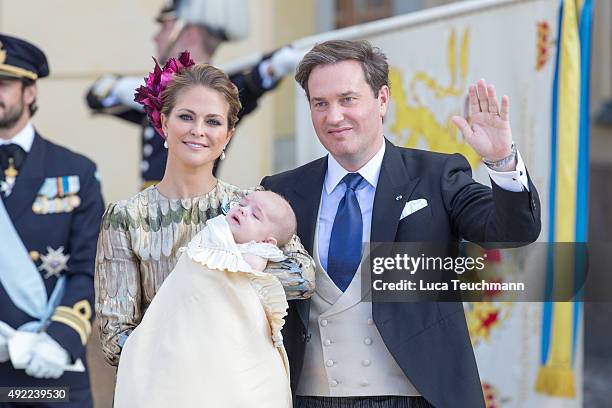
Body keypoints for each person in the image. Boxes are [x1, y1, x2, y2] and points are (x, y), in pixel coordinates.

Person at [261, 40, 541, 408]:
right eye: (320, 103)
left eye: (347, 99)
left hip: (416, 398)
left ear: (382, 99)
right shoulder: (281, 191)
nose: (333, 116)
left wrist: (502, 161)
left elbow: (512, 231)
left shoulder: (437, 175)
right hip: (307, 398)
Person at [94, 54, 315, 370]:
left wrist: (227, 265)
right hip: (161, 384)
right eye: (186, 117)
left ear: (227, 135)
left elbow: (303, 278)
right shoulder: (126, 218)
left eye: (213, 121)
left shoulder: (251, 205)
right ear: (163, 123)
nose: (198, 130)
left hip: (240, 382)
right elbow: (115, 338)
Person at [86, 0, 302, 187]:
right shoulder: (159, 91)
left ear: (189, 34)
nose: (156, 38)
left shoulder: (223, 92)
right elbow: (95, 98)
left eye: (164, 27)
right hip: (148, 210)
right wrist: (126, 89)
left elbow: (254, 81)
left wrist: (276, 66)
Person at [113, 191, 297, 408]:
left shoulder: (255, 252)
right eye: (243, 204)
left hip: (224, 333)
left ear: (267, 241)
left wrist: (248, 257)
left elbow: (247, 274)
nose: (243, 210)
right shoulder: (215, 230)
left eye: (255, 215)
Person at [0, 34, 105, 407]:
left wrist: (60, 338)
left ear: (30, 92)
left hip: (52, 366)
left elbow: (89, 266)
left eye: (4, 84)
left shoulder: (75, 171)